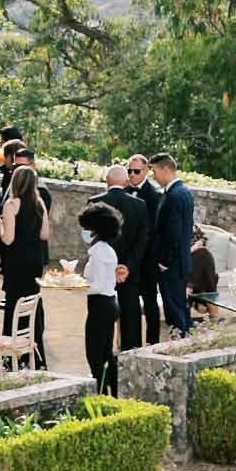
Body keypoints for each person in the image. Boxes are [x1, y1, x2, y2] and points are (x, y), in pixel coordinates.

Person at [96, 165, 153, 352]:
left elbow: (90, 239)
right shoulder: (140, 205)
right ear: (125, 181)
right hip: (129, 272)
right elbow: (142, 241)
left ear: (107, 180)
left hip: (103, 271)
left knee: (102, 318)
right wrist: (127, 266)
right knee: (130, 319)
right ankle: (131, 358)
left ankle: (104, 359)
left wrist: (110, 265)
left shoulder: (95, 202)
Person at [0, 164, 49, 358]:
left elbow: (8, 239)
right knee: (31, 305)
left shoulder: (11, 205)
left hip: (17, 262)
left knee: (13, 306)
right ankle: (34, 354)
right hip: (34, 261)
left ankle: (12, 355)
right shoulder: (39, 204)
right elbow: (45, 234)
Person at [79, 200, 125, 394]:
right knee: (106, 352)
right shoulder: (107, 250)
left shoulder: (99, 252)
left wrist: (78, 287)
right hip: (108, 303)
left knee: (95, 354)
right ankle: (112, 391)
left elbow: (97, 285)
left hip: (100, 305)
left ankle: (101, 392)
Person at [149, 152, 195, 336]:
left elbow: (173, 234)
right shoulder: (184, 192)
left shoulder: (174, 195)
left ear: (165, 169)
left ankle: (181, 351)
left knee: (175, 313)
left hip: (172, 265)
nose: (153, 176)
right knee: (180, 310)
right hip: (180, 263)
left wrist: (164, 262)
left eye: (154, 171)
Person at [125, 153, 163, 343]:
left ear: (146, 171)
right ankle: (129, 343)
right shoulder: (123, 191)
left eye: (136, 171)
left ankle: (152, 342)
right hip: (128, 259)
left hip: (147, 259)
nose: (132, 175)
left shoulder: (155, 195)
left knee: (150, 304)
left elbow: (154, 229)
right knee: (128, 305)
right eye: (129, 171)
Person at [188, 228, 220, 319]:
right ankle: (210, 306)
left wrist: (199, 244)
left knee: (203, 255)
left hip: (198, 257)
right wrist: (192, 248)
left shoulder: (191, 225)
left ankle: (194, 293)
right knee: (202, 256)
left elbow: (203, 239)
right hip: (187, 258)